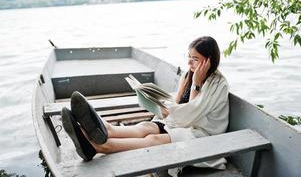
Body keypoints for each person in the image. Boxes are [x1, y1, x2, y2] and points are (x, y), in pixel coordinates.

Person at [61, 36, 229, 171]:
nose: (189, 63)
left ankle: (100, 146)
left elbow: (192, 113)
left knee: (153, 138)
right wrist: (161, 106)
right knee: (145, 127)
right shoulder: (188, 75)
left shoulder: (217, 84)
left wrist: (196, 84)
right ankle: (101, 128)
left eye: (195, 59)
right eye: (189, 57)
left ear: (208, 61)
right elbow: (179, 104)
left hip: (201, 135)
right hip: (181, 123)